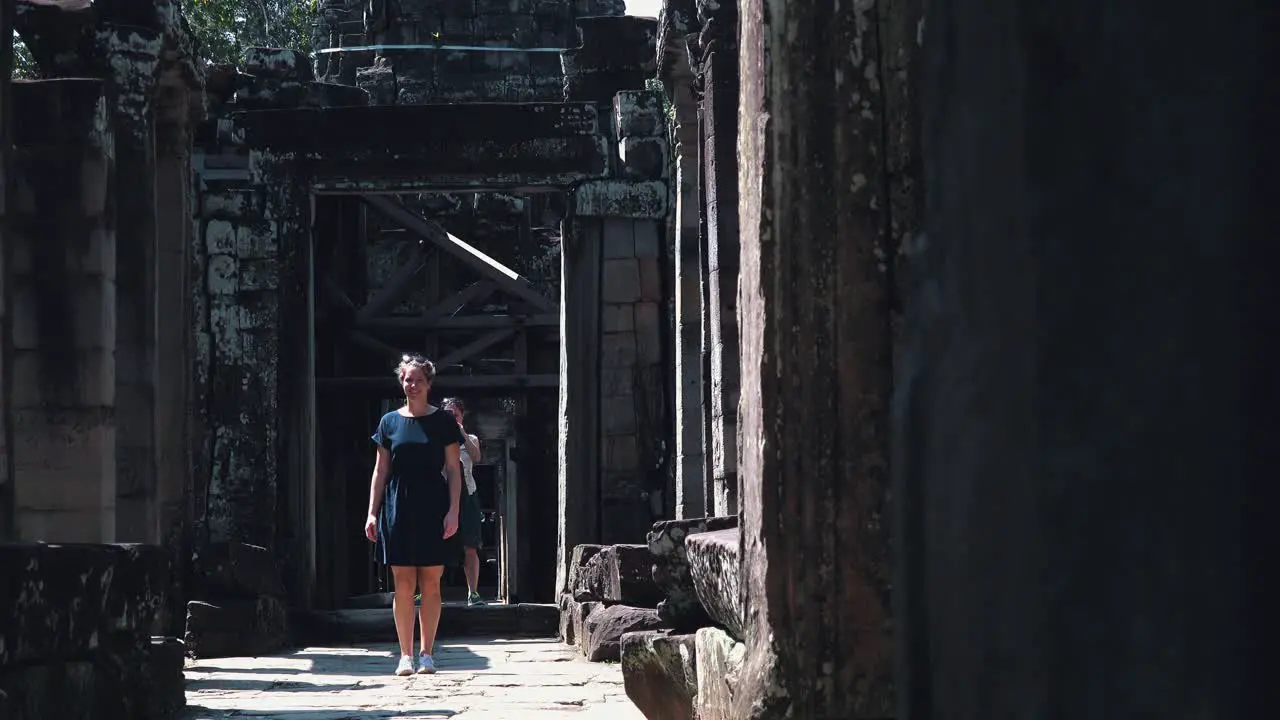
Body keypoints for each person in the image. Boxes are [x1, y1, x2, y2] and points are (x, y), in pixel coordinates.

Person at [364, 354, 464, 676]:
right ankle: (405, 655)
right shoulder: (389, 422)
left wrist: (454, 511)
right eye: (408, 379)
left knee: (431, 583)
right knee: (403, 584)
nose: (413, 385)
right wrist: (372, 513)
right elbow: (381, 470)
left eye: (419, 380)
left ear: (429, 384)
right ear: (401, 382)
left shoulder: (444, 422)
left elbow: (453, 468)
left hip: (433, 504)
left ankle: (426, 653)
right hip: (398, 506)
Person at [442, 397, 486, 606]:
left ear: (461, 415)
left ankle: (473, 592)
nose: (452, 418)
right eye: (447, 415)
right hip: (442, 495)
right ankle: (429, 591)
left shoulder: (471, 438)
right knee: (435, 545)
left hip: (468, 495)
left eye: (455, 414)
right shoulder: (437, 439)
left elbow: (476, 457)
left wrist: (461, 433)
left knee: (470, 545)